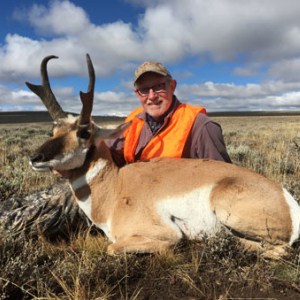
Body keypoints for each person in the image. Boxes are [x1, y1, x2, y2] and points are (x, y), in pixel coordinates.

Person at [106, 61, 231, 167]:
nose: (152, 96)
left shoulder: (202, 126)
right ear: (137, 94)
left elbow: (224, 181)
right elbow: (111, 153)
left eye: (159, 87)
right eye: (144, 90)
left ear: (172, 86)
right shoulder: (133, 119)